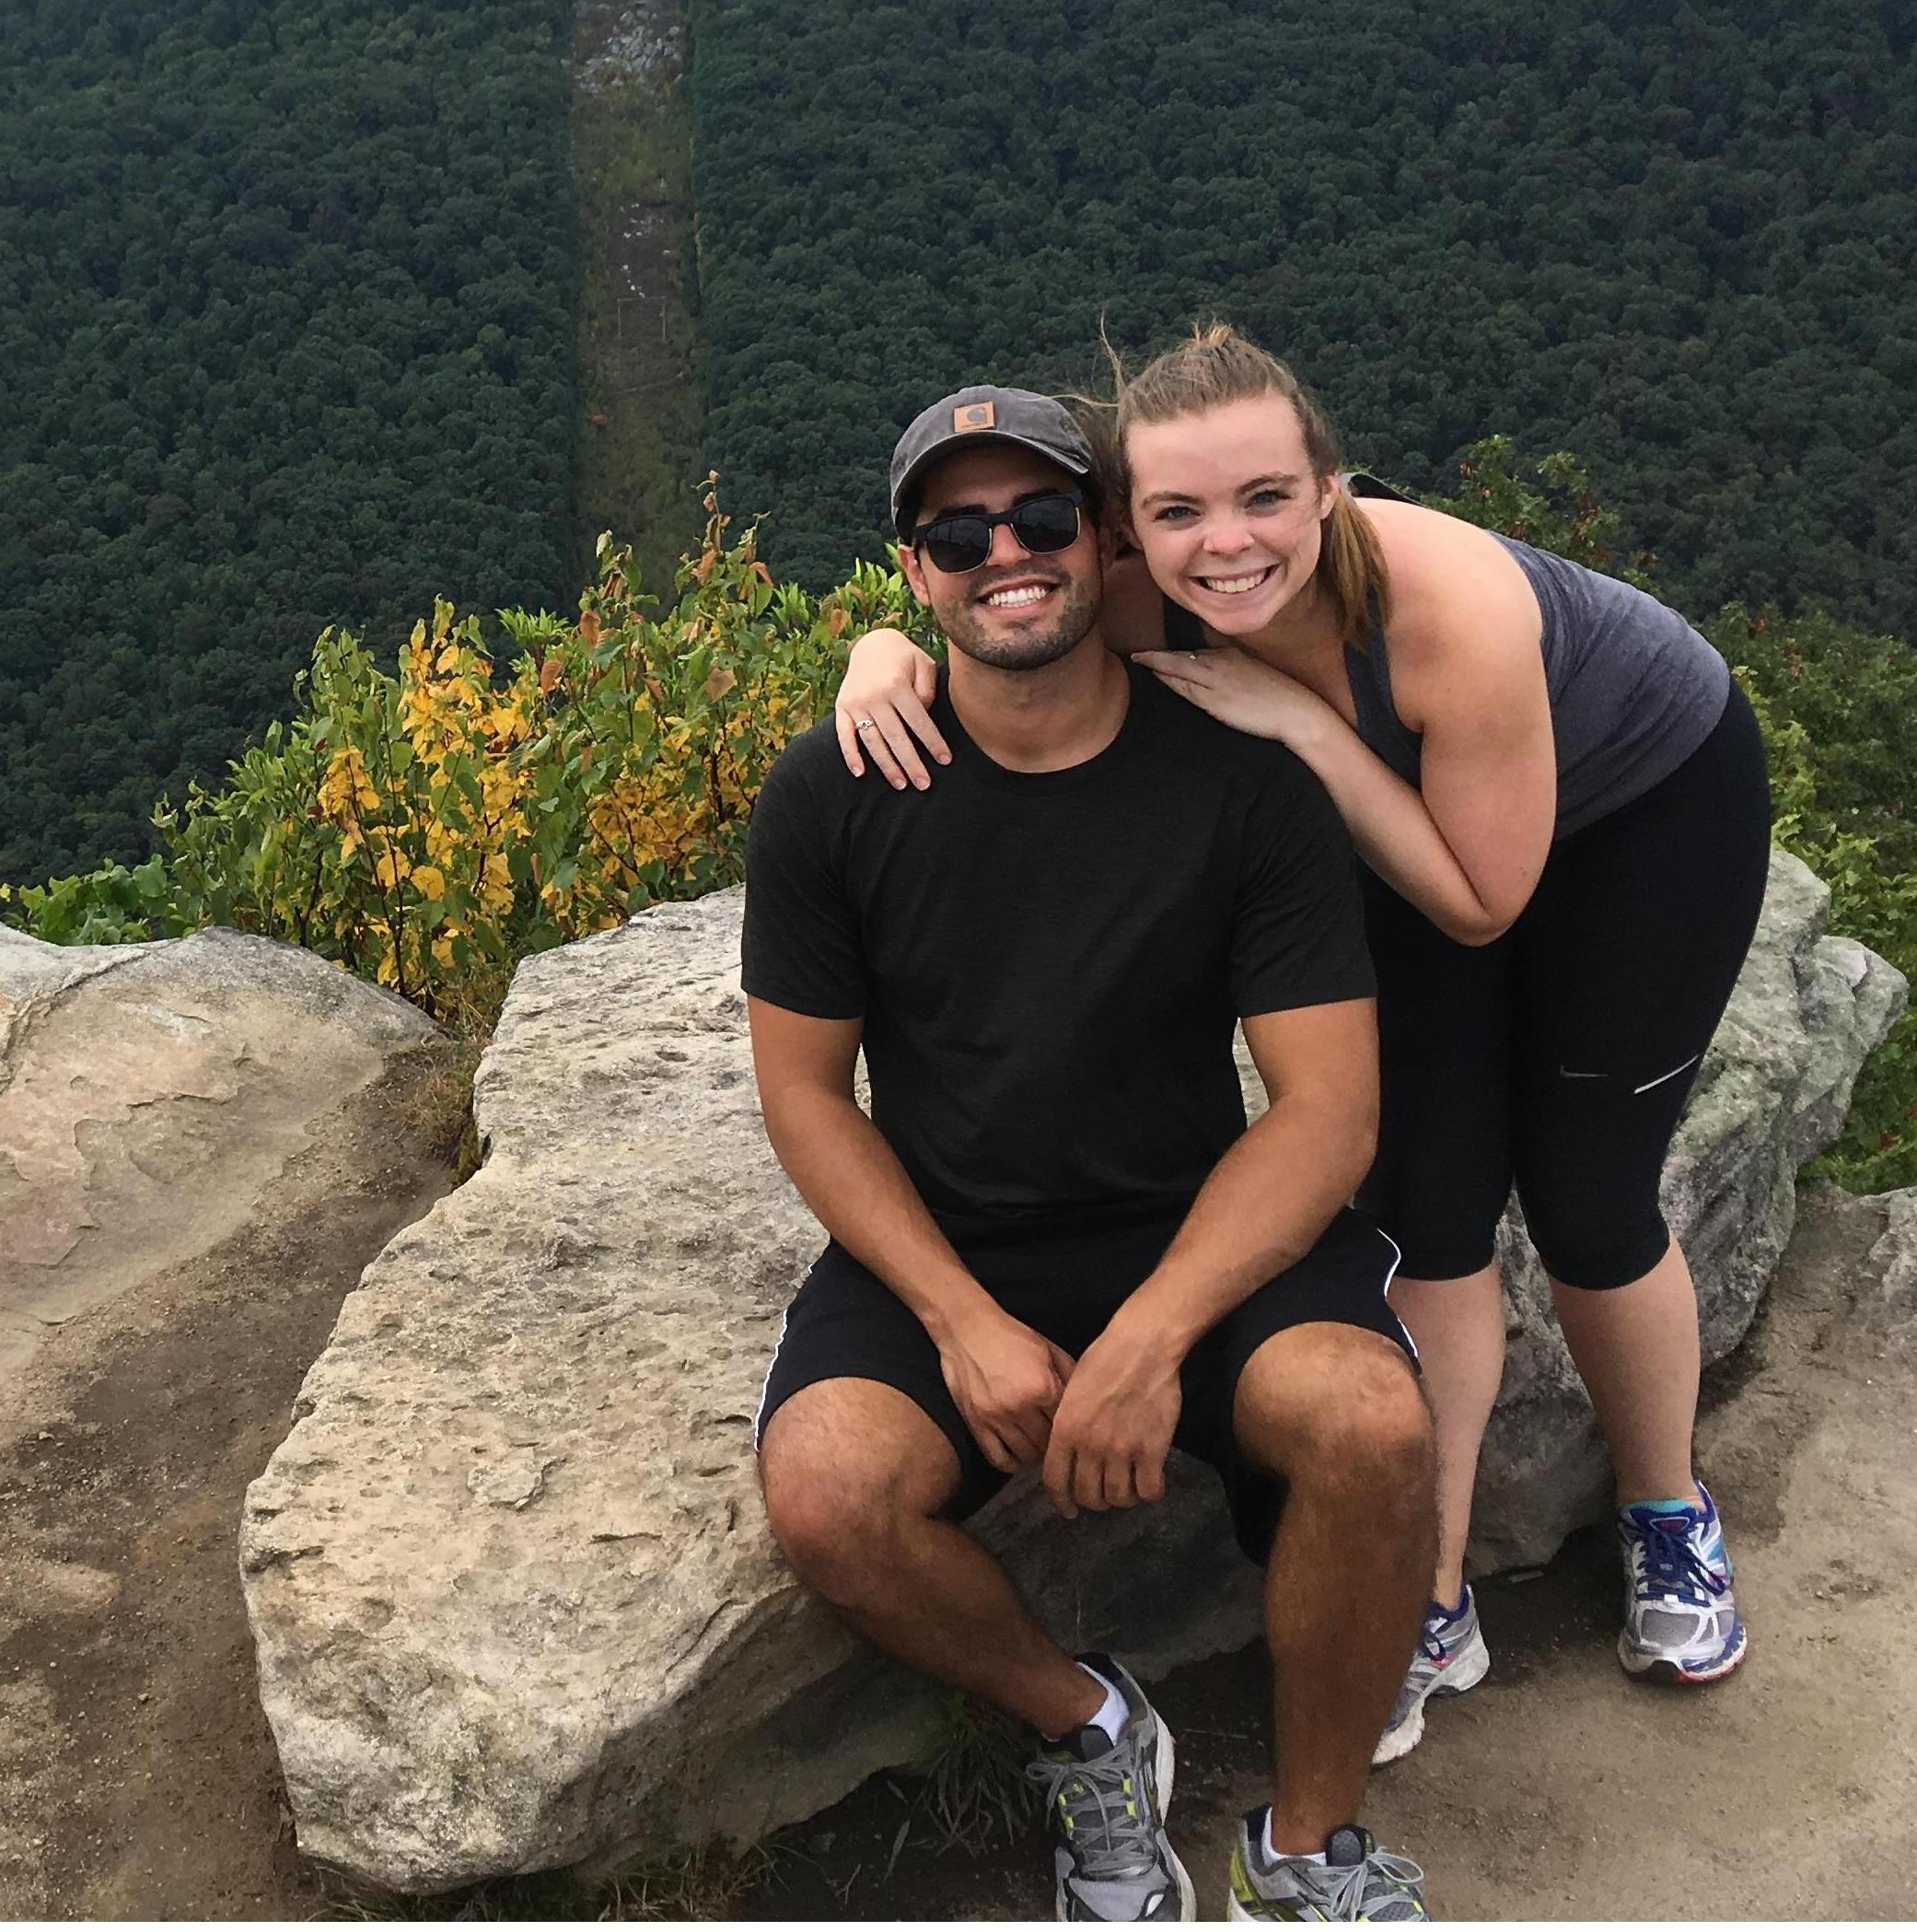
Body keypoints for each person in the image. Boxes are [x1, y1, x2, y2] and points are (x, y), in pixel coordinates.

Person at [836, 327, 1772, 1766]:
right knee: (1431, 1210)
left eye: (1267, 498)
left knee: (1589, 1201)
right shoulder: (1140, 593)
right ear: (1127, 527)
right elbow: (997, 606)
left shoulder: (1442, 612)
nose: (1227, 548)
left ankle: (1668, 1511)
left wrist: (1304, 727)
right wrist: (878, 649)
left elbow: (1483, 902)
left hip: (1638, 820)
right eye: (1179, 513)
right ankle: (1433, 1589)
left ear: (1330, 486)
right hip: (1411, 831)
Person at [747, 382, 1436, 1923]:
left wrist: (1151, 1338)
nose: (1010, 554)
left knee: (1372, 1426)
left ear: (1106, 540)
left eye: (1045, 519)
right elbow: (806, 1094)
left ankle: (1312, 1848)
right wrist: (959, 1319)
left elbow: (1328, 1109)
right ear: (913, 571)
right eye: (961, 532)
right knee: (828, 1493)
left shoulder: (1241, 783)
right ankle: (1090, 1725)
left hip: (1192, 1223)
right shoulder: (835, 793)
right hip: (961, 1234)